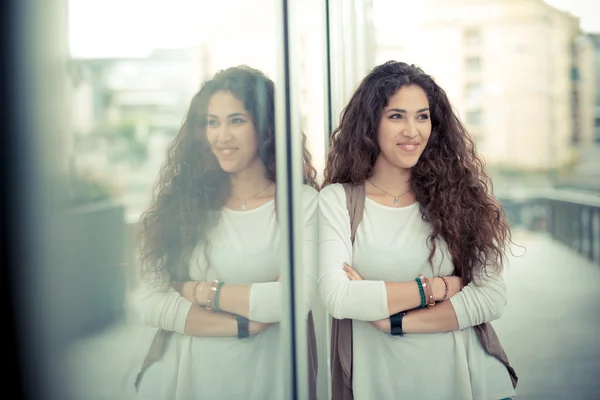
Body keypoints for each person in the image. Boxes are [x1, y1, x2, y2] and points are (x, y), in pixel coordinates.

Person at [318, 61, 516, 400]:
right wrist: (440, 287)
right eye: (396, 116)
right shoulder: (338, 201)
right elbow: (339, 297)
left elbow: (491, 297)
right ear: (370, 125)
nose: (413, 130)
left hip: (469, 381)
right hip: (380, 383)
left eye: (422, 116)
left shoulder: (459, 195)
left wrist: (391, 320)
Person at [133, 65, 319, 400]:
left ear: (265, 128)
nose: (222, 136)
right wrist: (244, 324)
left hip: (272, 377)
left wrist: (202, 292)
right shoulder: (184, 204)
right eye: (212, 122)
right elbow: (149, 301)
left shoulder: (300, 204)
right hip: (195, 377)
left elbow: (295, 299)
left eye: (236, 120)